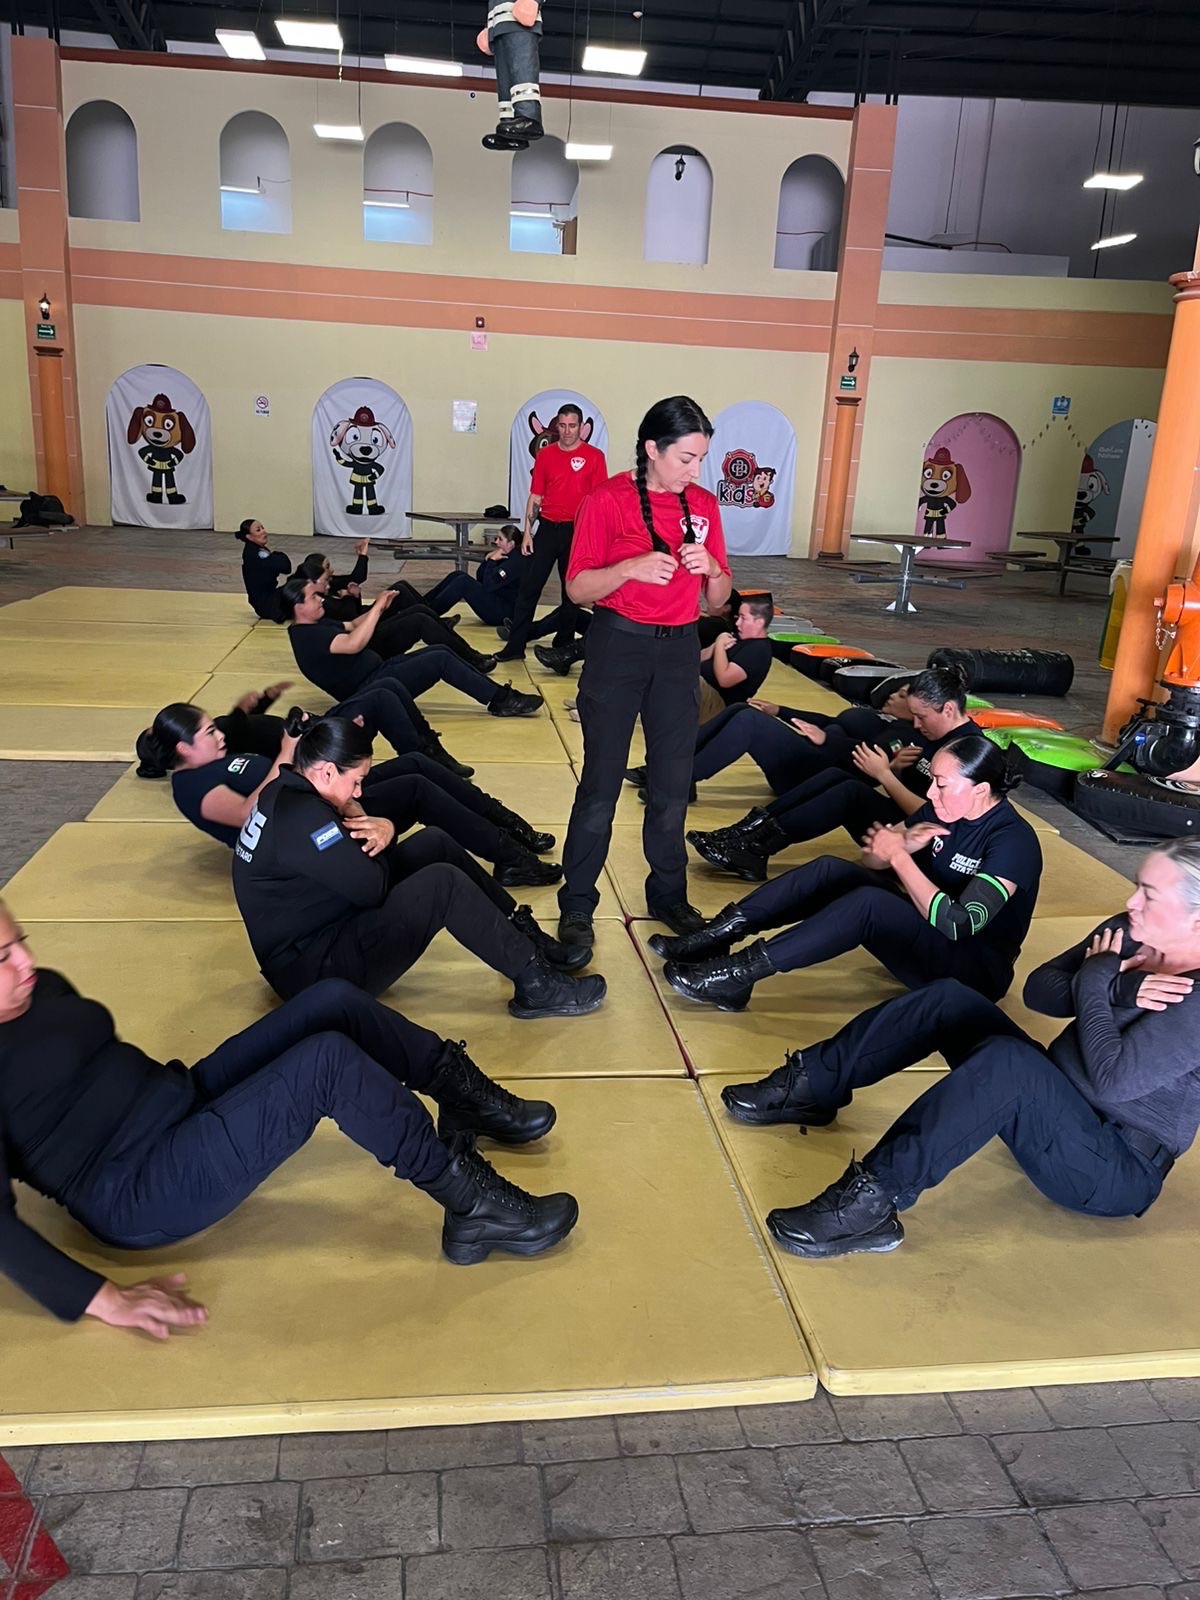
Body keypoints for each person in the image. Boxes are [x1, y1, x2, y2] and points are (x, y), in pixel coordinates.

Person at [0, 908, 582, 1330]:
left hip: (180, 1098)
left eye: (20, 940)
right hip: (139, 1186)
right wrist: (107, 1300)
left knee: (332, 1000)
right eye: (3, 957)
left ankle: (464, 1097)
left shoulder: (38, 988)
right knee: (325, 1066)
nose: (27, 961)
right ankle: (474, 1209)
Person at [723, 839, 1200, 1259]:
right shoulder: (1129, 931)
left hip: (1113, 1166)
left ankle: (871, 1205)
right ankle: (814, 1085)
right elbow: (1040, 989)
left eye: (1149, 895)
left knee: (1010, 1064)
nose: (1131, 901)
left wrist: (1097, 978)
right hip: (1057, 1098)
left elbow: (1111, 1080)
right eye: (1136, 886)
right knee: (949, 999)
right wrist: (1117, 987)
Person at [232, 717, 604, 1017]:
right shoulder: (308, 820)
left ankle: (526, 938)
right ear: (327, 772)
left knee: (434, 842)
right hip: (313, 974)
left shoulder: (284, 791)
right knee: (442, 885)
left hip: (317, 932)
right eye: (356, 781)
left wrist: (374, 823)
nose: (359, 792)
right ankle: (537, 985)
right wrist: (383, 828)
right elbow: (372, 888)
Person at [656, 737, 1042, 1012]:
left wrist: (901, 859)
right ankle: (716, 936)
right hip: (929, 935)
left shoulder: (1013, 841)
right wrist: (896, 848)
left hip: (972, 970)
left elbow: (958, 924)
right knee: (834, 869)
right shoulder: (944, 809)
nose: (931, 793)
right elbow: (871, 861)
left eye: (941, 784)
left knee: (870, 904)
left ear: (981, 790)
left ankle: (736, 975)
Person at [555, 396, 732, 954]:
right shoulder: (607, 500)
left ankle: (669, 895)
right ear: (652, 449)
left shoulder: (703, 504)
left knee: (672, 785)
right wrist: (628, 567)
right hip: (618, 647)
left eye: (701, 458)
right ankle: (577, 902)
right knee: (601, 784)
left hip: (678, 651)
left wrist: (714, 570)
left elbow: (718, 600)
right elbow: (576, 589)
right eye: (685, 458)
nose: (695, 471)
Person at [136, 702, 560, 884]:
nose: (219, 735)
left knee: (416, 763)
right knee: (417, 789)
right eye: (209, 732)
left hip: (322, 792)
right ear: (183, 748)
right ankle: (510, 858)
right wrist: (285, 754)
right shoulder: (192, 788)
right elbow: (251, 814)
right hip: (314, 822)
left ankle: (509, 828)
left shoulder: (215, 760)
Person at [687, 662, 975, 881]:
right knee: (839, 779)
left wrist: (885, 776)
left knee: (849, 792)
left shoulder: (968, 750)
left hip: (925, 845)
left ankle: (755, 847)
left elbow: (935, 816)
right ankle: (745, 835)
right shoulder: (931, 734)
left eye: (921, 717)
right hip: (902, 819)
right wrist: (897, 770)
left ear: (948, 710)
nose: (916, 724)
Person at [280, 580, 541, 719]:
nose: (320, 599)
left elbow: (353, 625)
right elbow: (353, 643)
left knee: (439, 649)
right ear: (297, 607)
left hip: (378, 672)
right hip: (370, 690)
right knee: (439, 657)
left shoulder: (315, 624)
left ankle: (498, 694)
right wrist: (377, 608)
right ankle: (502, 700)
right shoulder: (306, 637)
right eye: (313, 597)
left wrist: (380, 607)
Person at [496, 404, 608, 665]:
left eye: (572, 426)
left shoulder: (594, 457)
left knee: (571, 594)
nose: (567, 431)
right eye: (563, 426)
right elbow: (536, 495)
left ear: (581, 427)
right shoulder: (546, 455)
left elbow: (599, 501)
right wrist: (527, 533)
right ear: (557, 426)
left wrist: (595, 539)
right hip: (547, 528)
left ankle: (563, 648)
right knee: (528, 588)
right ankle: (515, 645)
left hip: (576, 532)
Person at [421, 525, 527, 629]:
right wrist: (487, 559)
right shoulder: (504, 554)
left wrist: (492, 561)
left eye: (500, 539)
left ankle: (428, 613)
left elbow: (488, 585)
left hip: (502, 613)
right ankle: (422, 604)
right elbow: (480, 577)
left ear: (511, 544)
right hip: (496, 599)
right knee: (458, 575)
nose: (496, 542)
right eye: (496, 538)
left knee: (463, 583)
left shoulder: (513, 563)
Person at [697, 596, 776, 722]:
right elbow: (696, 659)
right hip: (703, 690)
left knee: (690, 681)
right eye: (738, 617)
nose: (738, 623)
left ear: (759, 622)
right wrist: (716, 644)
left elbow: (725, 679)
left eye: (743, 618)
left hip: (718, 704)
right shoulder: (738, 637)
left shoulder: (758, 650)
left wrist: (719, 647)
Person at [235, 519, 291, 620]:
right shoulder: (255, 555)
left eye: (262, 528)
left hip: (267, 601)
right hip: (268, 605)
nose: (263, 531)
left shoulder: (257, 550)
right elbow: (285, 567)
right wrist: (275, 555)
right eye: (258, 530)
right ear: (249, 537)